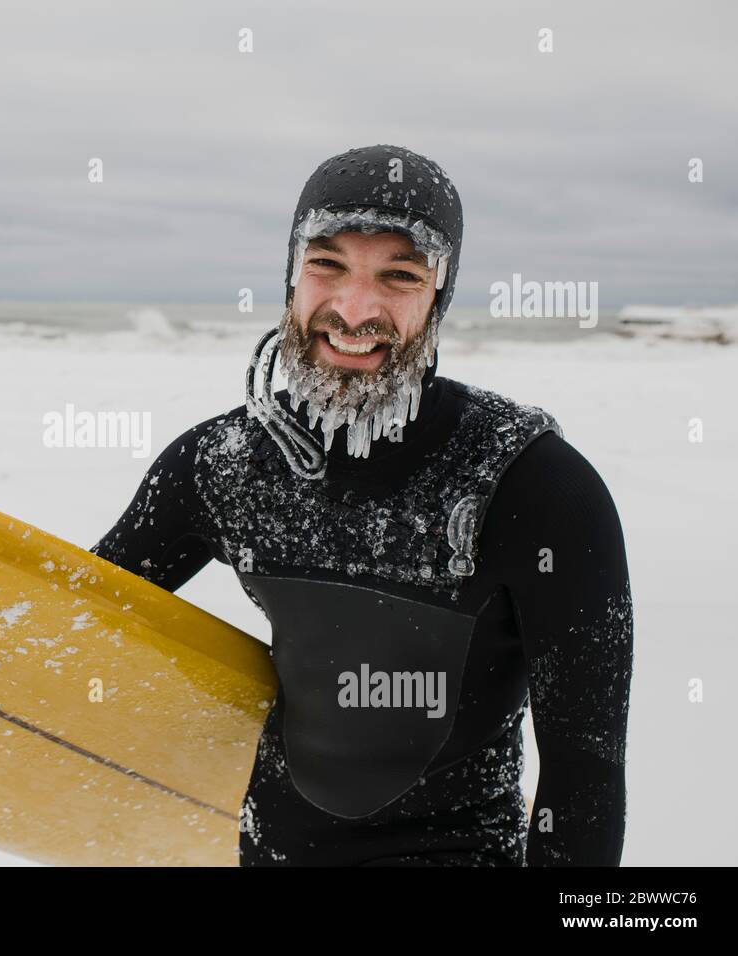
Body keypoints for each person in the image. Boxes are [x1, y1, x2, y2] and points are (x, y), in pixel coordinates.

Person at [90, 144, 634, 866]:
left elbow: (583, 769)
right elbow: (74, 631)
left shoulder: (531, 485)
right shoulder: (223, 464)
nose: (354, 310)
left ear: (440, 293)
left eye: (400, 276)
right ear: (290, 274)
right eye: (328, 265)